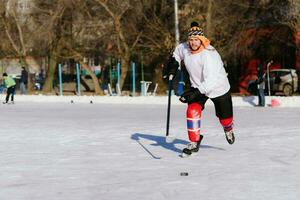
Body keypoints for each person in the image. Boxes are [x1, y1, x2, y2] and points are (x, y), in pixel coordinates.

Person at [164, 21, 235, 156]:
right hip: (198, 86)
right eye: (191, 40)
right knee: (192, 110)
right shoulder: (185, 48)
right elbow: (177, 53)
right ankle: (194, 141)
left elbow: (211, 81)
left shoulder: (209, 55)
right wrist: (173, 65)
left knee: (225, 119)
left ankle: (228, 129)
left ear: (202, 40)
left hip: (218, 87)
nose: (193, 43)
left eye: (196, 40)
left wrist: (195, 93)